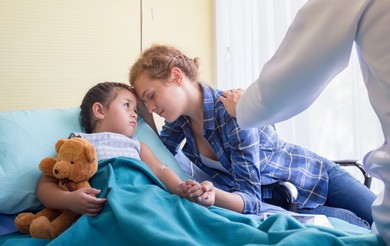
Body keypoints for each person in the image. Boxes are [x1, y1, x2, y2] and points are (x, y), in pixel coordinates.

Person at [129, 44, 376, 229]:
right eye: (145, 102)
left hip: (315, 176)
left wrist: (213, 193)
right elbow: (159, 155)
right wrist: (139, 114)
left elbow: (250, 199)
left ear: (176, 77)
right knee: (363, 231)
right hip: (289, 202)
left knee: (381, 218)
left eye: (151, 96)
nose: (150, 107)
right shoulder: (179, 121)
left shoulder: (232, 111)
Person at [219, 0, 390, 246]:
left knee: (363, 226)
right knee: (357, 225)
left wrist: (244, 106)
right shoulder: (185, 134)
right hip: (293, 194)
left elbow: (282, 89)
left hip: (318, 170)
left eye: (151, 96)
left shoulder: (224, 111)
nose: (151, 108)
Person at [36, 82, 215, 217]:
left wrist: (180, 187)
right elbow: (46, 184)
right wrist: (68, 201)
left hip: (149, 200)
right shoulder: (79, 142)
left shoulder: (137, 145)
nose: (135, 114)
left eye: (136, 109)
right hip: (109, 207)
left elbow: (160, 170)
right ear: (99, 110)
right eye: (127, 105)